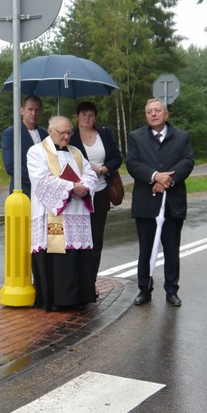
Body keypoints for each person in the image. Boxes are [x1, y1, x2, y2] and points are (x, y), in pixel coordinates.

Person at [126, 99, 195, 307]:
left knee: (171, 249)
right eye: (149, 111)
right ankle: (144, 289)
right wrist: (155, 176)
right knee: (146, 249)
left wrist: (168, 181)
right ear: (146, 116)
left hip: (173, 203)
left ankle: (171, 291)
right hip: (146, 204)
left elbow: (188, 161)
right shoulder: (136, 137)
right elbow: (132, 163)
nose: (153, 114)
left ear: (166, 114)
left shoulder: (182, 137)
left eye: (157, 110)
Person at [28, 115, 98, 311]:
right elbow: (42, 180)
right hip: (52, 214)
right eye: (62, 133)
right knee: (57, 257)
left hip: (76, 213)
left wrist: (85, 187)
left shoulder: (76, 152)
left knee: (76, 257)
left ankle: (78, 298)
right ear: (50, 131)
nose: (66, 137)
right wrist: (71, 188)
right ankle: (55, 300)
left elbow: (90, 173)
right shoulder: (37, 152)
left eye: (69, 132)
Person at [69, 100, 123, 283]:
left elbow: (117, 158)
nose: (87, 118)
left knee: (95, 240)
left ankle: (90, 282)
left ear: (96, 117)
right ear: (77, 116)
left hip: (101, 192)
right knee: (77, 239)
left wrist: (102, 170)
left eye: (91, 115)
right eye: (84, 114)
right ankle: (76, 282)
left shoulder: (105, 134)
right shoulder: (70, 137)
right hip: (78, 194)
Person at [1, 95, 48, 196]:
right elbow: (10, 166)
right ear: (22, 111)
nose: (33, 113)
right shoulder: (11, 133)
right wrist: (37, 178)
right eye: (30, 109)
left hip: (45, 192)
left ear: (41, 112)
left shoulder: (45, 134)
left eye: (37, 110)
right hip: (22, 191)